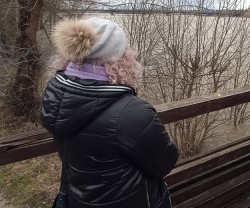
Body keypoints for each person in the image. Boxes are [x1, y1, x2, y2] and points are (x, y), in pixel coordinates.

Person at [40, 17, 179, 207]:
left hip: (78, 200)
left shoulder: (56, 96)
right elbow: (165, 163)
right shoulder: (132, 113)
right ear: (120, 60)